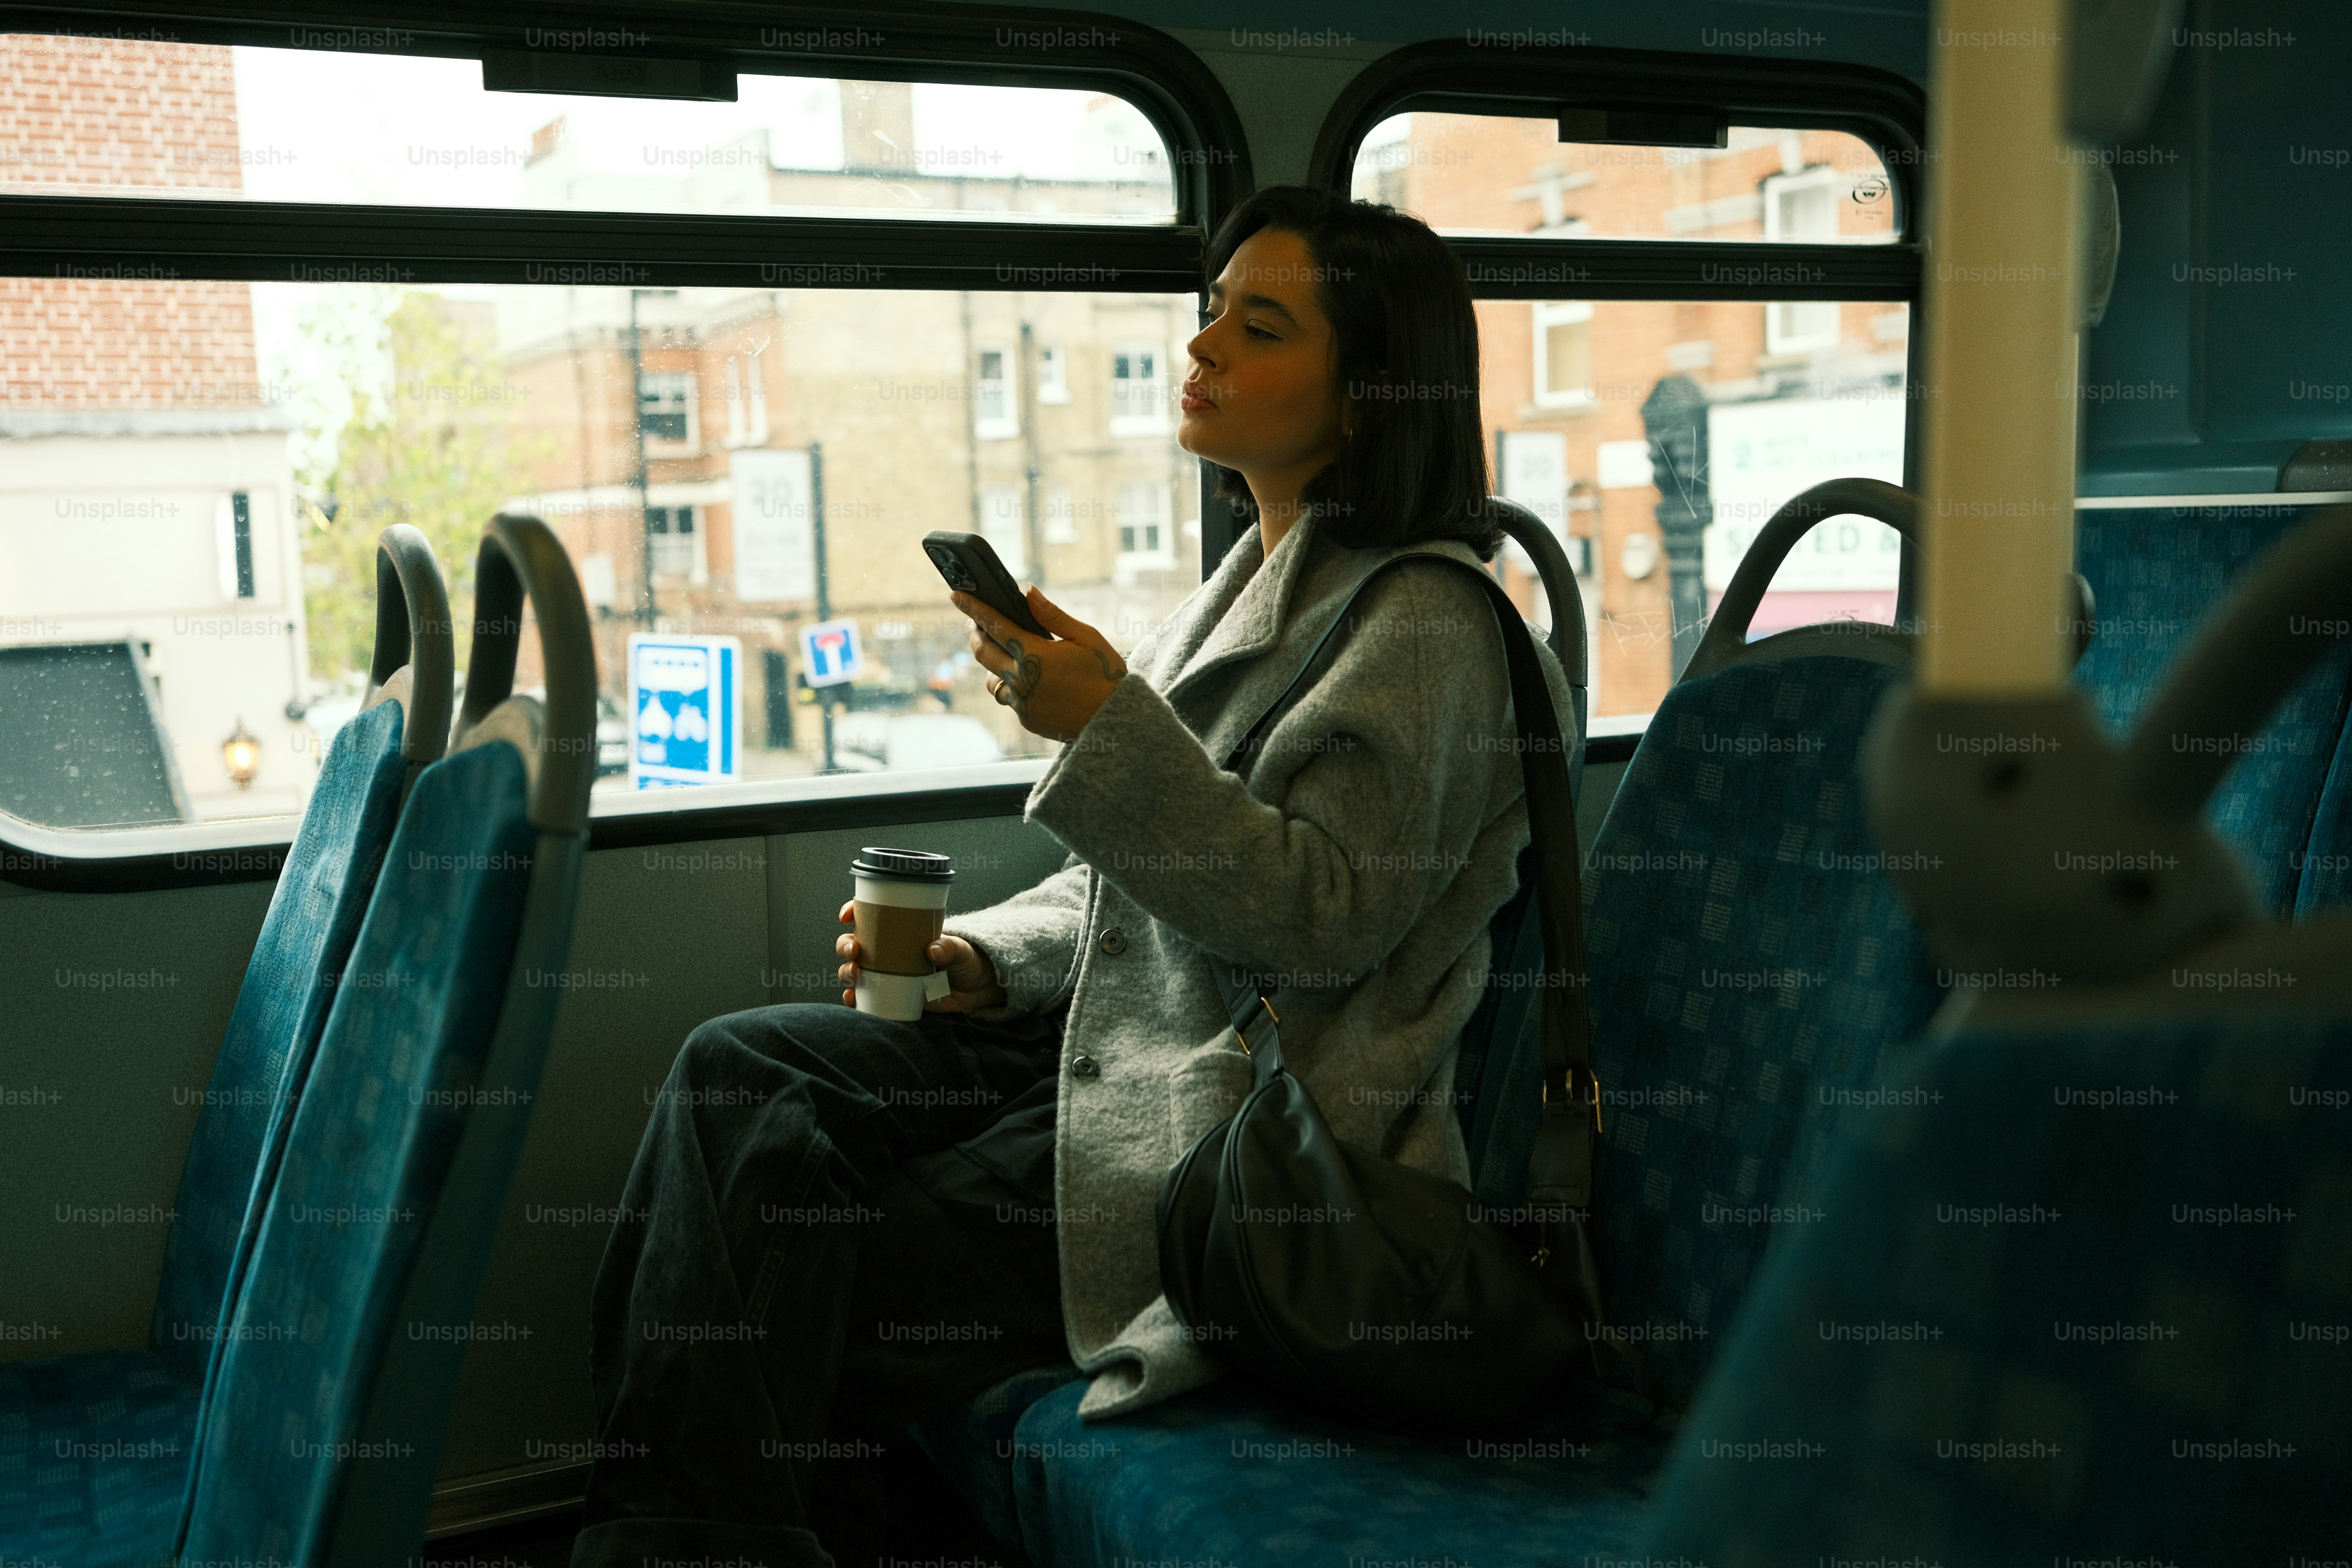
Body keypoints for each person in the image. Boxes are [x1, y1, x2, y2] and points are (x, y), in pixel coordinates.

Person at [569, 184, 1578, 1568]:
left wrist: (1109, 732)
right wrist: (984, 959)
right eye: (1211, 311)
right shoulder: (1240, 590)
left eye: (1261, 327)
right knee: (742, 1072)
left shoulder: (1429, 626)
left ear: (1370, 395)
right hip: (1111, 1045)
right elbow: (1125, 896)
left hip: (1244, 1124)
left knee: (807, 1254)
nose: (1203, 346)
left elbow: (1321, 923)